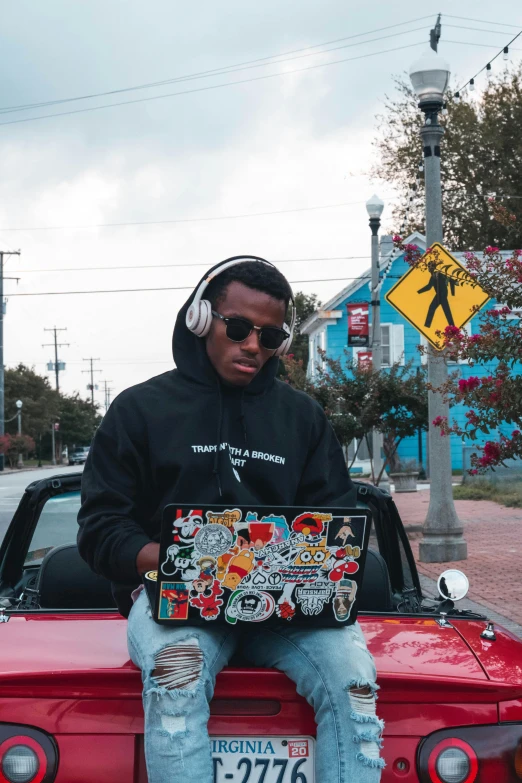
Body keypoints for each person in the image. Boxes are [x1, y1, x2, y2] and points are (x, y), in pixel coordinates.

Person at [78, 256, 384, 783]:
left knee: (354, 682)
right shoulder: (138, 411)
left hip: (291, 612)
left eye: (269, 338)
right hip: (175, 605)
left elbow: (337, 518)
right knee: (177, 678)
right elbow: (101, 527)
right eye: (238, 328)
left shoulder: (303, 419)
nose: (252, 347)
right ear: (201, 319)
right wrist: (180, 563)